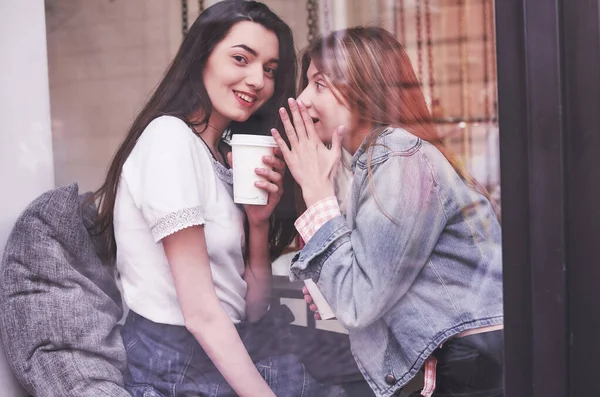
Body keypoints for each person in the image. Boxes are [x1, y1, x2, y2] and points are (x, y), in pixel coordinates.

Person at [88, 1, 352, 396]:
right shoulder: (168, 139)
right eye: (241, 58)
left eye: (268, 69)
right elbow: (200, 313)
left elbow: (251, 308)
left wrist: (258, 223)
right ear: (201, 58)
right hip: (174, 364)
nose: (257, 81)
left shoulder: (222, 158)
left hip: (225, 346)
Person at [271, 26, 504, 397]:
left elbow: (357, 303)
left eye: (319, 84)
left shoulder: (397, 155)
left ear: (362, 87)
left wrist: (316, 193)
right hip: (465, 362)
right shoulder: (381, 159)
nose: (301, 99)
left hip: (469, 367)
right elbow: (365, 285)